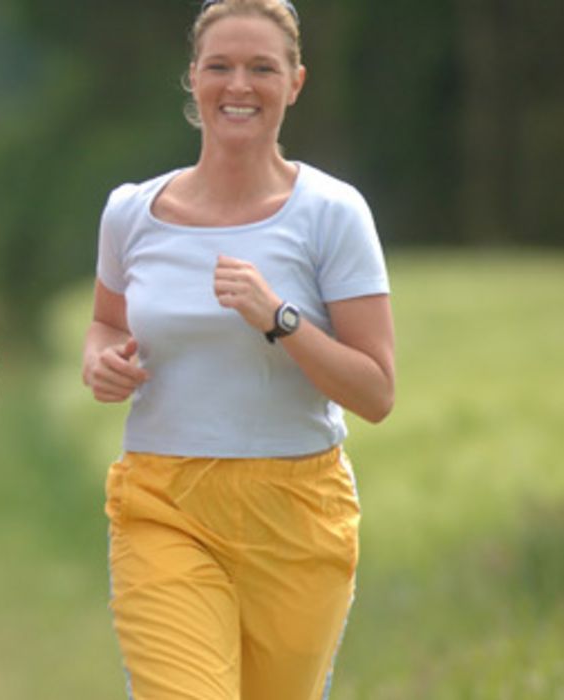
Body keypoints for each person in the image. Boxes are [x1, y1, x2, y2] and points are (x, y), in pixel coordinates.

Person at [81, 1, 395, 697]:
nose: (238, 86)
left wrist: (279, 318)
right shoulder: (131, 211)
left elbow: (375, 392)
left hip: (296, 512)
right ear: (192, 78)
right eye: (219, 66)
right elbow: (105, 324)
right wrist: (100, 361)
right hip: (162, 503)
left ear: (295, 82)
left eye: (261, 68)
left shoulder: (330, 213)